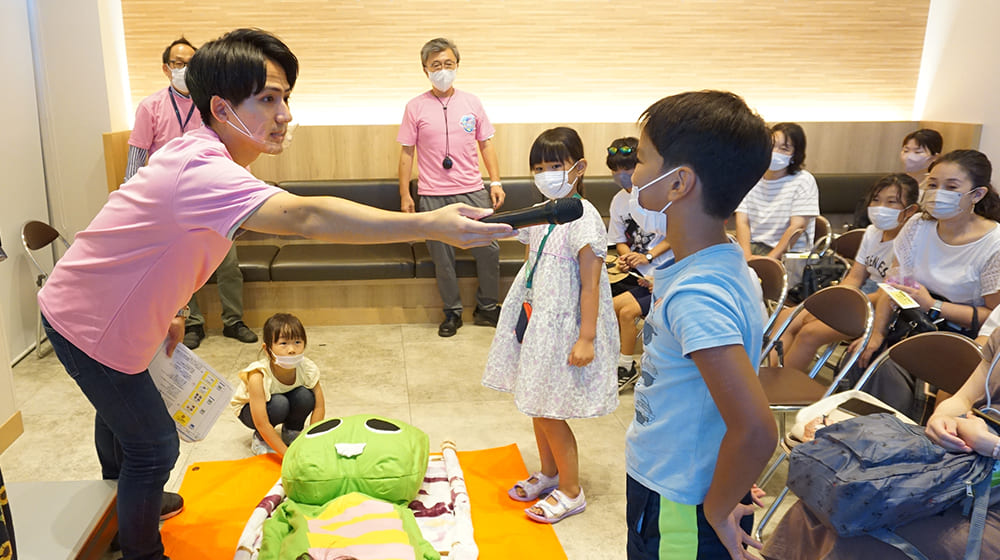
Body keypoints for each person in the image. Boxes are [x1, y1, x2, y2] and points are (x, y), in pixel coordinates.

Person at [37, 28, 511, 560]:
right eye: (267, 99)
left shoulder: (205, 157)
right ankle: (139, 545)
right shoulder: (202, 167)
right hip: (88, 321)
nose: (284, 114)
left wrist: (175, 307)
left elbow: (164, 245)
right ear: (222, 107)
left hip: (105, 310)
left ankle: (126, 502)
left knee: (123, 422)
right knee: (153, 444)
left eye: (285, 98)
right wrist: (429, 224)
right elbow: (307, 217)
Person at [625, 90, 777, 560]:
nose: (633, 174)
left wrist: (717, 507)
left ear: (678, 183)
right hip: (679, 479)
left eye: (641, 159)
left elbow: (756, 429)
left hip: (682, 503)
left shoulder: (698, 294)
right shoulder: (722, 261)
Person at [761, 324, 1000, 560]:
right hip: (965, 461)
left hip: (986, 484)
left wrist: (992, 445)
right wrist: (941, 418)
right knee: (835, 498)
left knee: (868, 534)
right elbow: (963, 399)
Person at [482, 127, 619, 524]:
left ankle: (571, 491)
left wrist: (586, 338)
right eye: (538, 168)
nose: (546, 175)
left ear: (579, 167)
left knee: (551, 411)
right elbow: (532, 262)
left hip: (565, 326)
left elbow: (591, 285)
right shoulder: (542, 211)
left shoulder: (584, 218)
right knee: (536, 403)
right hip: (538, 320)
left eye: (554, 166)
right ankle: (549, 472)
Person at [126, 37, 257, 350]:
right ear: (166, 68)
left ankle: (233, 320)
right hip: (171, 203)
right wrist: (134, 203)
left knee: (227, 263)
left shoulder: (213, 105)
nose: (184, 69)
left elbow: (234, 151)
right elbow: (136, 158)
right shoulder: (150, 107)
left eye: (191, 63)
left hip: (215, 197)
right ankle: (193, 322)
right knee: (180, 269)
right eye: (178, 63)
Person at [397, 37, 505, 337]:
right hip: (432, 194)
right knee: (442, 257)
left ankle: (487, 307)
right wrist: (405, 194)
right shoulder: (414, 107)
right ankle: (452, 312)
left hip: (472, 190)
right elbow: (406, 153)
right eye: (436, 65)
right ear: (425, 70)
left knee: (489, 249)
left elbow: (486, 144)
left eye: (448, 64)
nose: (442, 70)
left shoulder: (472, 102)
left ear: (457, 66)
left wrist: (495, 181)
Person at [774, 174, 919, 371]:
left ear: (910, 210)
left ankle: (784, 382)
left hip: (883, 308)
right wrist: (836, 302)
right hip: (858, 297)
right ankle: (771, 374)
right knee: (787, 316)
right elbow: (855, 277)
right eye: (876, 200)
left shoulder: (910, 241)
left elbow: (886, 293)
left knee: (810, 332)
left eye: (891, 202)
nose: (880, 207)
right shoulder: (872, 232)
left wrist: (845, 307)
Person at [604, 136, 674, 392]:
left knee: (626, 312)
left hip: (664, 275)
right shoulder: (619, 201)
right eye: (615, 170)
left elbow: (678, 235)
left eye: (627, 168)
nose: (621, 175)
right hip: (637, 276)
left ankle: (626, 366)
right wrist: (627, 258)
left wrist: (649, 256)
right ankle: (616, 362)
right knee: (607, 307)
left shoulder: (663, 195)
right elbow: (620, 241)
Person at [231, 313, 324, 457]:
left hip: (282, 399)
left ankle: (291, 430)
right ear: (267, 349)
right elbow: (261, 422)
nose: (292, 350)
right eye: (283, 343)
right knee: (279, 403)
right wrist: (287, 456)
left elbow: (319, 406)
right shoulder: (258, 375)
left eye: (297, 342)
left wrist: (312, 441)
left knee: (305, 396)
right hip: (251, 411)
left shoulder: (307, 368)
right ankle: (261, 438)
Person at [734, 122, 820, 259]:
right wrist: (746, 257)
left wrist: (769, 260)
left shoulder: (804, 181)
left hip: (788, 254)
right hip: (753, 247)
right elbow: (742, 222)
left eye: (784, 149)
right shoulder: (750, 177)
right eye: (772, 146)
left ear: (795, 155)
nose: (775, 152)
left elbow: (797, 227)